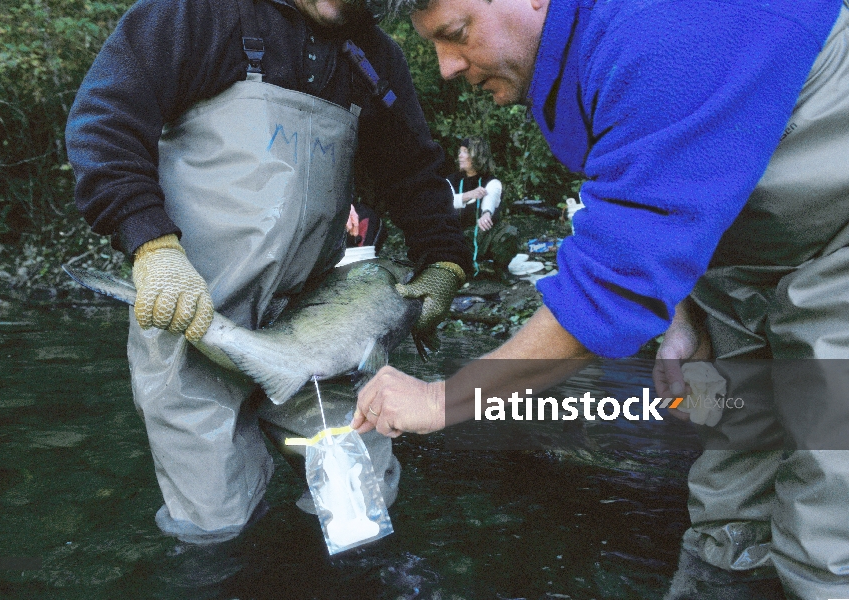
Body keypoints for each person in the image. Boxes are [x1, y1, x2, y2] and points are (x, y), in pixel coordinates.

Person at [353, 0, 849, 597]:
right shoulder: (576, 59)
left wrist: (443, 400)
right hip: (749, 266)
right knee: (729, 495)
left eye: (456, 35)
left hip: (835, 240)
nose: (447, 67)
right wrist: (682, 315)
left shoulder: (656, 27)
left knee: (828, 515)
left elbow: (611, 286)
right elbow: (667, 196)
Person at [65, 0, 469, 551]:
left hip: (317, 326)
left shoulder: (374, 57)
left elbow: (416, 173)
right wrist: (151, 244)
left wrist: (444, 261)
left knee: (361, 508)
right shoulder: (192, 14)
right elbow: (104, 122)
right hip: (190, 320)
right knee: (215, 534)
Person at [447, 136, 519, 278]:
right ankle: (463, 267)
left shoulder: (492, 181)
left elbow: (490, 198)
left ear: (477, 155)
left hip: (482, 237)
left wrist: (486, 213)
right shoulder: (451, 180)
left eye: (465, 152)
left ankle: (498, 269)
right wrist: (467, 195)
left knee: (509, 232)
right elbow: (444, 201)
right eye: (460, 152)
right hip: (458, 238)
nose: (460, 156)